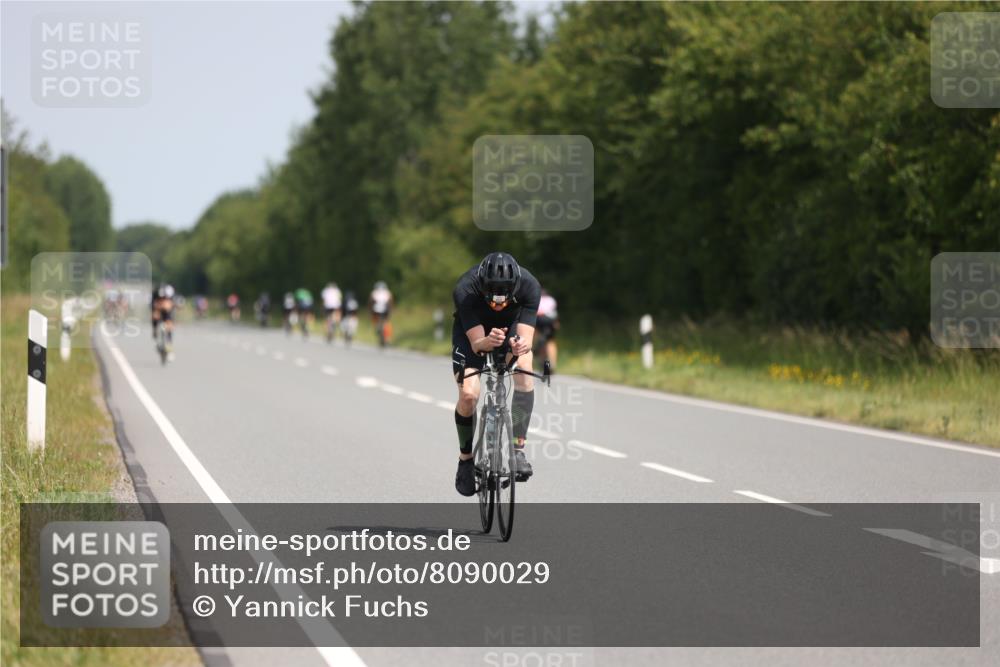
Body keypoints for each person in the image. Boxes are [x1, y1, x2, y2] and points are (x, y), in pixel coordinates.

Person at [451, 252, 540, 496]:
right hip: (473, 333)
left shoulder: (530, 286)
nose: (497, 304)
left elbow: (526, 338)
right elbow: (478, 344)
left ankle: (518, 449)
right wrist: (487, 341)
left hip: (511, 326)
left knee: (525, 367)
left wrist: (520, 346)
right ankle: (466, 459)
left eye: (503, 299)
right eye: (491, 298)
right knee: (469, 395)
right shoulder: (465, 289)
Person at [534, 288, 559, 371]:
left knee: (538, 339)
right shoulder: (551, 299)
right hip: (550, 321)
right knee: (550, 341)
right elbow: (554, 313)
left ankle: (542, 362)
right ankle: (552, 364)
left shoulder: (535, 298)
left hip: (538, 320)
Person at [152, 284, 176, 359]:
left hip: (167, 311)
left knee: (169, 325)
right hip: (157, 308)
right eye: (161, 298)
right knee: (155, 316)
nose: (162, 299)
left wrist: (167, 307)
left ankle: (169, 346)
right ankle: (155, 330)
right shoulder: (155, 294)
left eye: (164, 298)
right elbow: (153, 306)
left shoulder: (169, 294)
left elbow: (171, 306)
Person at [369, 280, 394, 347]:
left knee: (376, 322)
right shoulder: (388, 292)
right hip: (386, 310)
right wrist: (391, 310)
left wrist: (370, 311)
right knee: (387, 323)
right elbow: (391, 302)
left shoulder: (374, 292)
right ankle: (388, 339)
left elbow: (371, 302)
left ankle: (378, 330)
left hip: (376, 310)